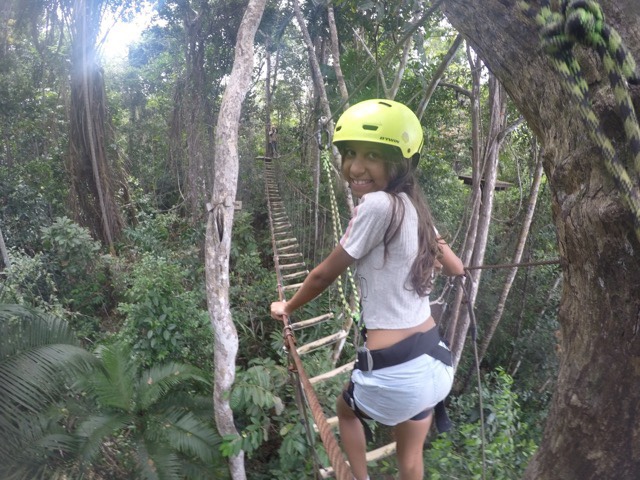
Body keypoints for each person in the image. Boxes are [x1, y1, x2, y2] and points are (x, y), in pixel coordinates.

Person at [270, 99, 464, 480]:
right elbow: (456, 268)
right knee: (411, 461)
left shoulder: (376, 205)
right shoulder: (415, 207)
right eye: (349, 153)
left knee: (344, 411)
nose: (355, 167)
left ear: (400, 163)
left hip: (391, 375)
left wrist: (287, 307)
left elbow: (323, 275)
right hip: (435, 366)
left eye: (372, 155)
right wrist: (427, 255)